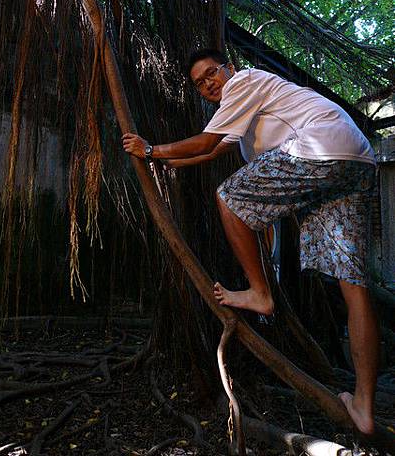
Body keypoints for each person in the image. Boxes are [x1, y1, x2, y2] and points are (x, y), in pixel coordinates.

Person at [122, 48, 379, 435]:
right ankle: (364, 407)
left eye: (213, 73)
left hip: (320, 146)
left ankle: (260, 292)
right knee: (354, 288)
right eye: (200, 83)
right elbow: (217, 148)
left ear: (231, 68)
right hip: (354, 161)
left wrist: (151, 149)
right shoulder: (245, 113)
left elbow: (206, 141)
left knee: (229, 199)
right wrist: (167, 162)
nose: (209, 83)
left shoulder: (244, 82)